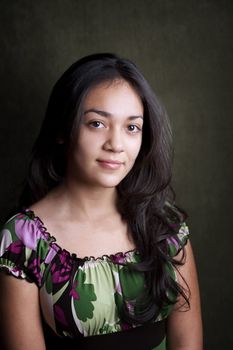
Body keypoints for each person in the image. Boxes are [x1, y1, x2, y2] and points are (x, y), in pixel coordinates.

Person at [0, 53, 202, 350]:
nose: (116, 144)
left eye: (131, 127)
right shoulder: (23, 241)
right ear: (62, 131)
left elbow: (189, 343)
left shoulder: (165, 225)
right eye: (97, 124)